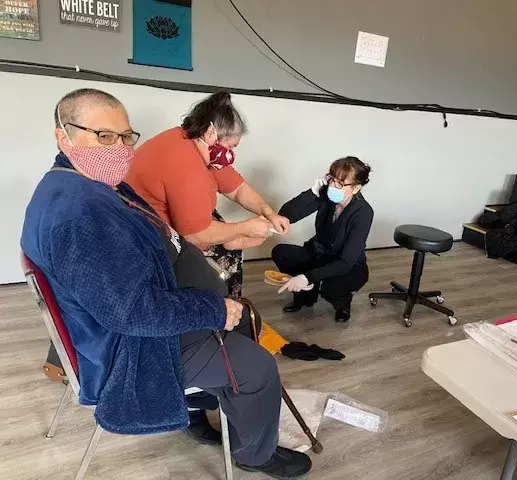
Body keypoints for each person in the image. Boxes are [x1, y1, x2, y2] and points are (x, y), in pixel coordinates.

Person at [21, 88, 311, 479]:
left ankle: (199, 408)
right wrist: (212, 307)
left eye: (126, 137)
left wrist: (237, 235)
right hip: (135, 346)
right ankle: (255, 455)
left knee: (246, 320)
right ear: (63, 135)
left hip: (141, 319)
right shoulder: (81, 213)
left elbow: (194, 217)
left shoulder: (82, 184)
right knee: (258, 367)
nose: (120, 147)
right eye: (103, 136)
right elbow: (133, 313)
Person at [125, 91, 290, 297]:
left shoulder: (189, 139)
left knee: (229, 237)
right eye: (231, 146)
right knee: (227, 260)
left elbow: (236, 188)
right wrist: (245, 228)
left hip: (164, 217)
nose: (231, 153)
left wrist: (268, 212)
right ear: (211, 133)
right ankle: (226, 309)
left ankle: (229, 240)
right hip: (151, 234)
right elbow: (194, 234)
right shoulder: (186, 164)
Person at [273, 157, 373, 322]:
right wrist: (311, 192)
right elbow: (286, 216)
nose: (333, 185)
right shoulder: (327, 196)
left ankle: (342, 303)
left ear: (356, 188)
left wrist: (307, 276)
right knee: (281, 252)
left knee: (331, 288)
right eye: (331, 179)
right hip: (319, 252)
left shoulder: (363, 212)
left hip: (347, 263)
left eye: (340, 183)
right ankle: (305, 295)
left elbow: (346, 262)